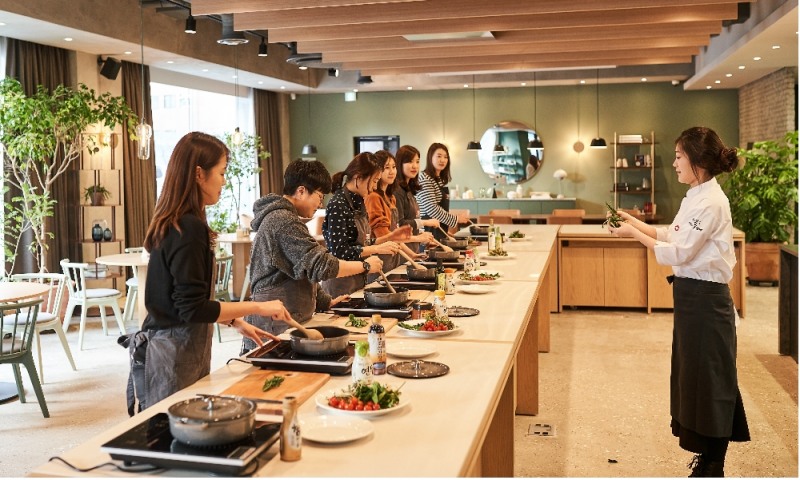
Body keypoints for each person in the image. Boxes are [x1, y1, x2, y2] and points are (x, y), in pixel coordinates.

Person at [608, 127, 750, 477]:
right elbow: (673, 233)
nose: (673, 164)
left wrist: (631, 235)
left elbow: (680, 251)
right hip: (690, 299)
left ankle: (714, 463)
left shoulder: (713, 201)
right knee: (694, 375)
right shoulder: (695, 195)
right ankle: (706, 456)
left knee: (713, 378)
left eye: (678, 157)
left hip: (707, 301)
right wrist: (633, 222)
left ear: (698, 161)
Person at [127, 131, 293, 413]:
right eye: (221, 172)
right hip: (173, 349)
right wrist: (260, 307)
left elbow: (184, 299)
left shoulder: (176, 221)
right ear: (199, 174)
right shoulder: (188, 227)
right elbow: (191, 308)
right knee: (173, 426)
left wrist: (235, 321)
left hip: (174, 343)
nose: (224, 181)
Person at [240, 159, 384, 353]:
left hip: (286, 316)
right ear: (301, 191)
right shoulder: (283, 221)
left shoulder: (287, 218)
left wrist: (324, 300)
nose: (320, 203)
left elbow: (299, 267)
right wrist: (366, 266)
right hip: (273, 323)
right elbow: (322, 265)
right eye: (319, 195)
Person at [321, 152, 411, 297]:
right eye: (374, 181)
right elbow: (339, 251)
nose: (374, 187)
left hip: (358, 279)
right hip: (341, 284)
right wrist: (376, 248)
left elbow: (365, 242)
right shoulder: (338, 204)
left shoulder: (359, 202)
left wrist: (389, 238)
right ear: (358, 178)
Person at [365, 150, 426, 271]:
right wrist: (417, 240)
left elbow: (394, 234)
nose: (392, 171)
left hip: (393, 258)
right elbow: (386, 236)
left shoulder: (390, 197)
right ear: (377, 171)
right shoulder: (373, 197)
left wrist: (412, 255)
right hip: (381, 260)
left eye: (393, 167)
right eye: (386, 168)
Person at [416, 143, 470, 241]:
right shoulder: (425, 179)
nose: (442, 160)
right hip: (428, 231)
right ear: (430, 157)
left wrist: (446, 232)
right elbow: (432, 209)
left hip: (438, 230)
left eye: (445, 157)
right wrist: (456, 219)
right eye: (439, 156)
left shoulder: (438, 179)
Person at [393, 145, 437, 253]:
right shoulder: (397, 191)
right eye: (410, 162)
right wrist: (425, 223)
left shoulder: (409, 190)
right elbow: (400, 224)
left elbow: (412, 220)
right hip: (403, 254)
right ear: (399, 164)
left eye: (417, 162)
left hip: (414, 250)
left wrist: (422, 237)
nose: (414, 166)